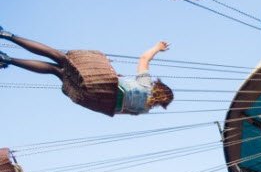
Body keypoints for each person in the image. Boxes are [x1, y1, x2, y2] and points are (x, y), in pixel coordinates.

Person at [0, 31, 174, 115]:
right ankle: (7, 60)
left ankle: (6, 35)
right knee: (55, 71)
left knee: (59, 57)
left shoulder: (145, 85)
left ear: (157, 87)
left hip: (98, 80)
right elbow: (118, 111)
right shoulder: (143, 110)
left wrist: (157, 48)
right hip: (94, 95)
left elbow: (144, 59)